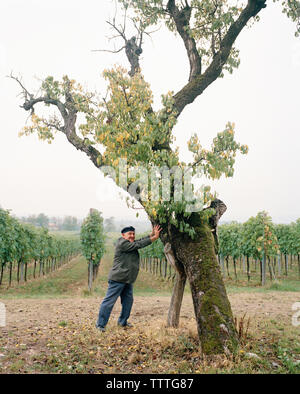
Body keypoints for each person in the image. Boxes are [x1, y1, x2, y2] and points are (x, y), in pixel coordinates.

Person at [96, 224, 162, 332]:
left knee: (128, 301)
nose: (132, 236)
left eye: (133, 234)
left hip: (128, 279)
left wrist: (151, 235)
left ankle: (122, 322)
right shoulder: (122, 243)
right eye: (129, 234)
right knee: (109, 302)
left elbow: (138, 241)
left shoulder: (129, 242)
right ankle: (100, 325)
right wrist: (154, 238)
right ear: (123, 235)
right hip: (118, 279)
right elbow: (138, 245)